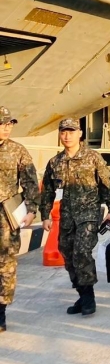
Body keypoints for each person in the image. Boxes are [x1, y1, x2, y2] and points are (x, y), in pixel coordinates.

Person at [41, 118, 110, 317]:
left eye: (71, 131)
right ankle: (82, 293)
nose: (67, 135)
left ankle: (89, 296)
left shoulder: (92, 158)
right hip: (67, 216)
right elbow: (48, 191)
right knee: (67, 254)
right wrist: (45, 215)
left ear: (80, 134)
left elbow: (106, 183)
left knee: (82, 253)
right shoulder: (55, 162)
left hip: (89, 216)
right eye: (63, 132)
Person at [0, 107, 39, 332]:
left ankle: (1, 311)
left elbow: (31, 183)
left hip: (5, 215)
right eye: (2, 123)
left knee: (6, 263)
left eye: (9, 123)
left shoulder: (18, 151)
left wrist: (32, 209)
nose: (6, 127)